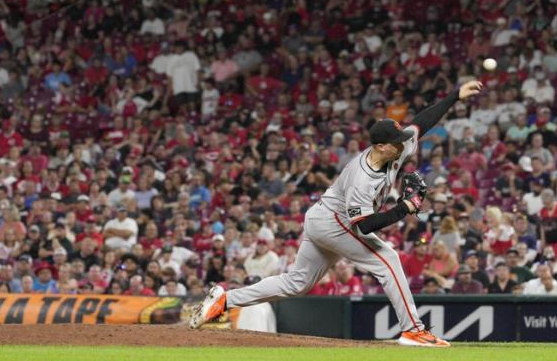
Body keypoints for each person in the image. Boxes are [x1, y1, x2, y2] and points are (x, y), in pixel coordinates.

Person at [190, 80, 486, 347]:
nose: (404, 143)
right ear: (381, 146)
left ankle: (225, 300)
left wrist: (455, 96)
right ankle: (413, 330)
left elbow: (423, 121)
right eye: (396, 142)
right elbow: (365, 226)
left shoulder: (396, 146)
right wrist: (404, 208)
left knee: (297, 283)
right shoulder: (362, 176)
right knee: (388, 259)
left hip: (325, 217)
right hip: (335, 221)